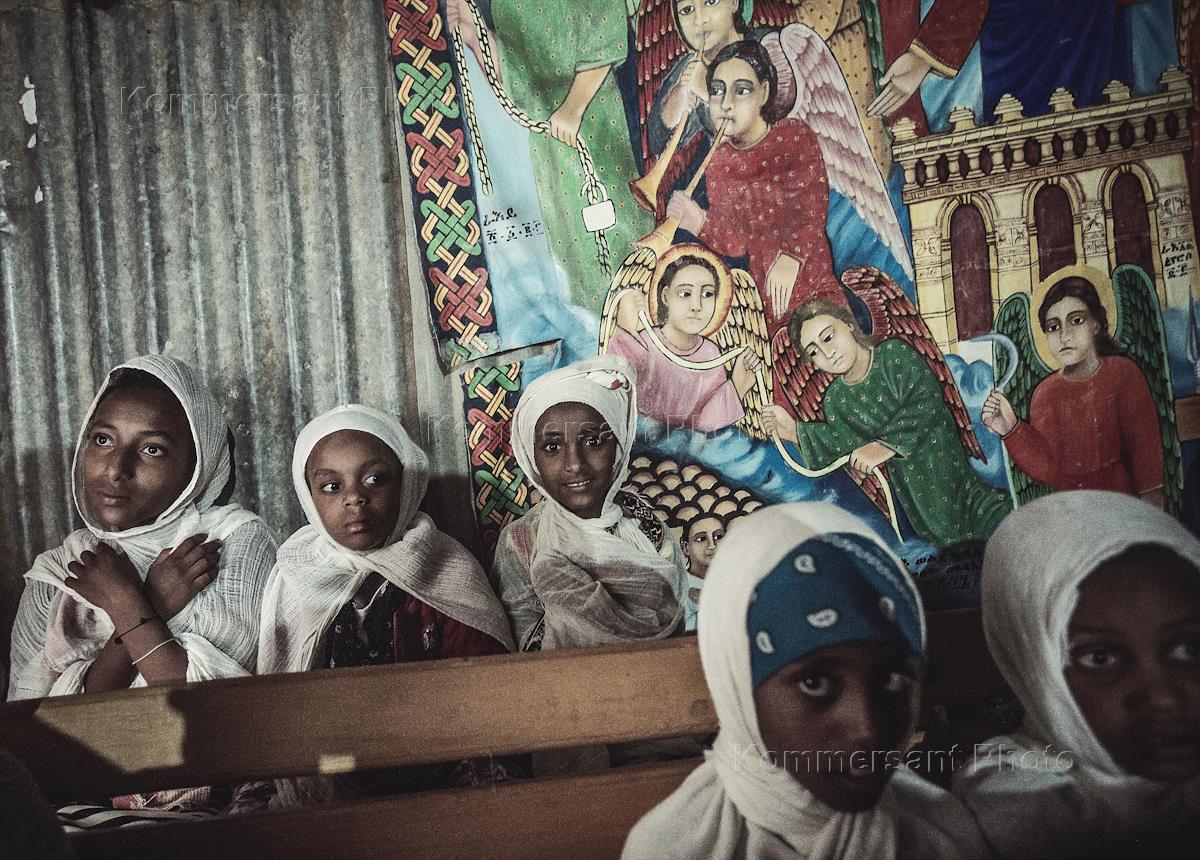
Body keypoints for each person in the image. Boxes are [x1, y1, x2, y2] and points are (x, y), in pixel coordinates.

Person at [622, 503, 989, 859]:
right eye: (814, 682)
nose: (868, 730)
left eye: (894, 679)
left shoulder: (942, 834)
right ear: (738, 687)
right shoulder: (673, 848)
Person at [7, 355, 277, 813]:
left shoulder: (230, 542)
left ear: (197, 464)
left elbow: (215, 718)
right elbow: (37, 735)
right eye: (102, 440)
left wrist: (124, 601)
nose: (116, 468)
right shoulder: (62, 568)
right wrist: (147, 602)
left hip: (214, 815)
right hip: (79, 812)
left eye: (152, 449)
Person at [257, 405, 515, 801]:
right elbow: (280, 707)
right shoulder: (297, 573)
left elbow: (487, 688)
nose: (355, 498)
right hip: (332, 765)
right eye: (331, 487)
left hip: (440, 759)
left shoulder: (444, 563)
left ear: (405, 482)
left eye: (375, 479)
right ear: (308, 496)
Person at [955, 491, 1200, 857]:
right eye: (1099, 658)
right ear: (1034, 664)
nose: (1164, 697)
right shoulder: (1020, 800)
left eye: (1189, 648)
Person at [763, 299, 1011, 548]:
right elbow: (843, 441)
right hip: (918, 504)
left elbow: (925, 402)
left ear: (849, 325)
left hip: (954, 481)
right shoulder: (835, 399)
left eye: (828, 337)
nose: (827, 353)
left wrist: (884, 446)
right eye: (814, 352)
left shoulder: (894, 355)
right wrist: (795, 432)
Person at [493, 355, 686, 652]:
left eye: (593, 442)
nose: (574, 464)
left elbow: (675, 629)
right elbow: (521, 652)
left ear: (618, 447)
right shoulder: (521, 541)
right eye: (552, 447)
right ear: (532, 460)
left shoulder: (645, 526)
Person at [667, 40, 846, 334]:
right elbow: (736, 241)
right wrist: (698, 221)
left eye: (742, 91)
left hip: (816, 289)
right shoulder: (720, 161)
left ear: (763, 92)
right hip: (767, 306)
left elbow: (811, 206)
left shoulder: (793, 135)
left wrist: (792, 256)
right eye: (717, 91)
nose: (726, 104)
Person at [982, 274, 1163, 507]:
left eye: (1076, 320)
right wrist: (1010, 428)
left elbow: (1148, 467)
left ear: (1096, 324)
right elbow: (1049, 471)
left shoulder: (1123, 374)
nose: (1064, 335)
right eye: (1053, 327)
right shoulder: (1045, 394)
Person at [607, 252, 759, 432]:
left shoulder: (711, 354)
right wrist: (624, 329)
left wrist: (737, 387)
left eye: (707, 294)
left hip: (693, 446)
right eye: (685, 293)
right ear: (665, 296)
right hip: (642, 441)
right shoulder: (644, 344)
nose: (696, 306)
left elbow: (706, 425)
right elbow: (614, 390)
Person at [680, 512, 725, 632]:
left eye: (718, 537)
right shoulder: (678, 587)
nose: (712, 545)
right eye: (701, 539)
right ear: (686, 548)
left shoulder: (736, 582)